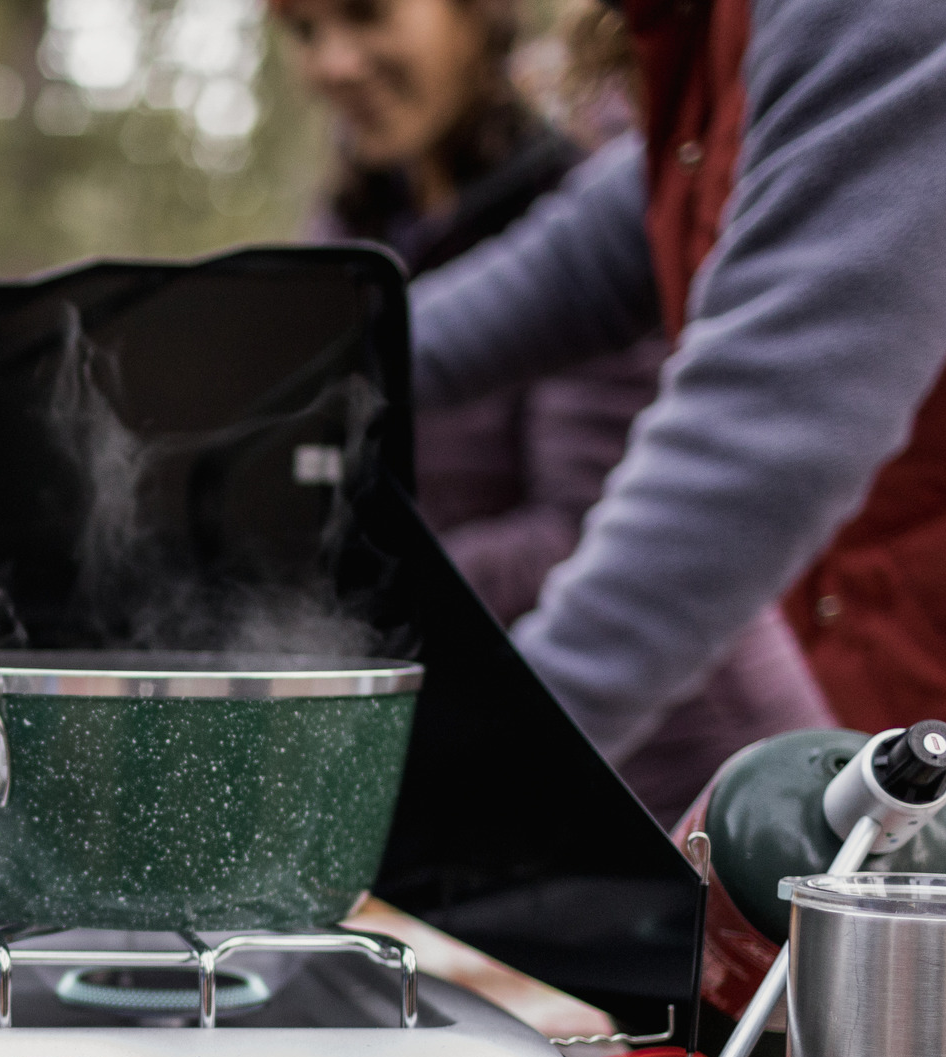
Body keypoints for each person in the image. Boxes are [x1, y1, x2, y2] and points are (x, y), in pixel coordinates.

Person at [406, 0, 946, 1057]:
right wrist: (226, 368)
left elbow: (767, 421)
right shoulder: (716, 45)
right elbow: (546, 279)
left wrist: (459, 813)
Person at [278, 0, 828, 821]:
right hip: (491, 775)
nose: (333, 61)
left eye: (366, 15)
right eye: (303, 31)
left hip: (690, 787)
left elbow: (583, 528)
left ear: (476, 16)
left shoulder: (592, 199)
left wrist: (336, 603)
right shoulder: (355, 236)